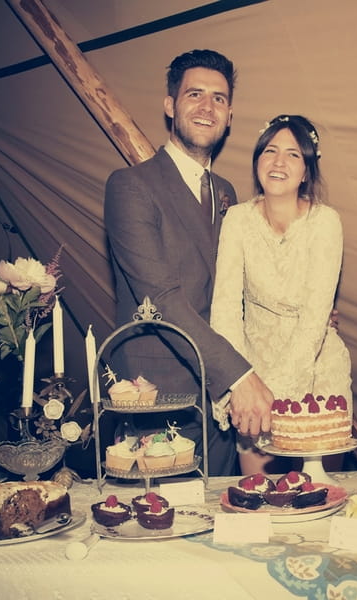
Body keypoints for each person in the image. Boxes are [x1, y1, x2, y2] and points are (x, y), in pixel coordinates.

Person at [104, 49, 274, 476]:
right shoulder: (130, 186)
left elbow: (232, 289)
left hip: (217, 408)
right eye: (194, 94)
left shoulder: (227, 192)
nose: (206, 107)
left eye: (218, 98)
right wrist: (238, 376)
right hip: (159, 399)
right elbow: (160, 297)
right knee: (159, 531)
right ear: (170, 105)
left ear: (230, 114)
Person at [210, 115, 353, 475]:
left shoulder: (326, 222)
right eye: (270, 151)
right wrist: (240, 383)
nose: (278, 162)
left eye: (292, 154)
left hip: (317, 369)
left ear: (306, 171)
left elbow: (315, 317)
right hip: (250, 370)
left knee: (321, 497)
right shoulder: (237, 220)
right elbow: (225, 307)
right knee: (257, 499)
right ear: (257, 160)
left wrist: (276, 396)